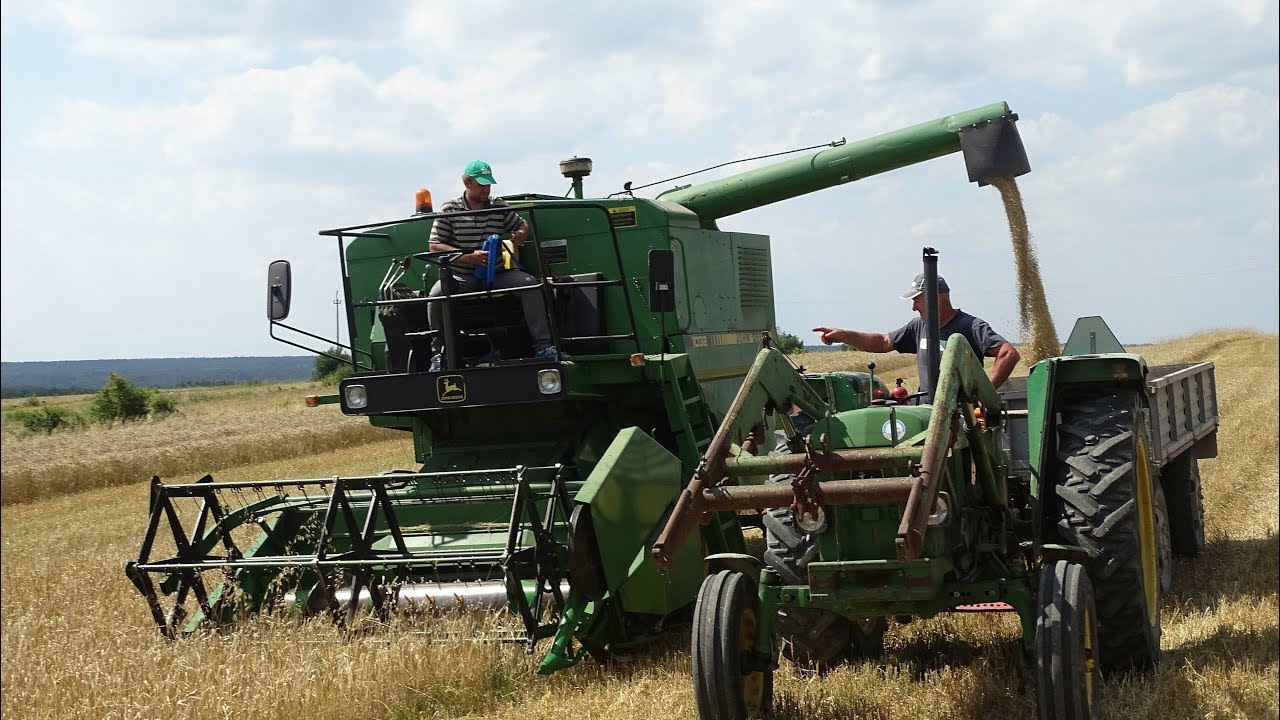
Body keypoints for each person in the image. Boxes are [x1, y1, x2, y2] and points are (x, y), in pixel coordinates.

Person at [426, 160, 556, 370]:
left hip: (496, 275)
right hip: (462, 277)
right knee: (436, 294)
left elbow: (522, 223)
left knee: (529, 284)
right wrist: (466, 257)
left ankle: (544, 347)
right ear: (467, 182)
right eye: (481, 185)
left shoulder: (498, 205)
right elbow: (434, 245)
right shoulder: (449, 209)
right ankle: (439, 355)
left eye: (489, 185)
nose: (486, 189)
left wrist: (520, 234)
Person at [812, 273, 1020, 395]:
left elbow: (1008, 353)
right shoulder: (918, 326)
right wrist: (844, 335)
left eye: (916, 300)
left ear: (935, 299)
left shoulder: (970, 326)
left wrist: (985, 395)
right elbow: (883, 342)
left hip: (961, 415)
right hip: (926, 412)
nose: (913, 308)